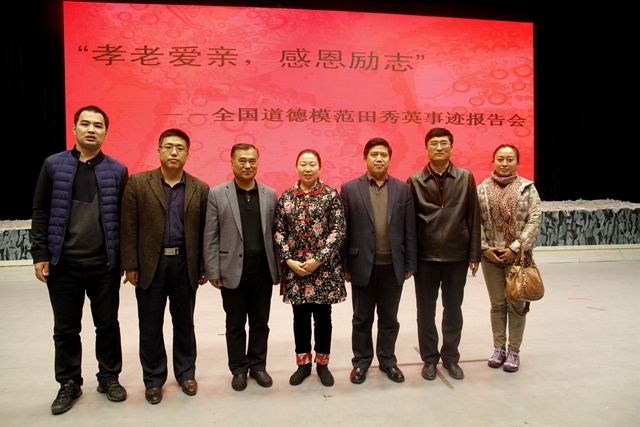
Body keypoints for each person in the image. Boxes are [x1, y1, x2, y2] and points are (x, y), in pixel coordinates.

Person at [31, 105, 128, 414]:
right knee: (65, 329)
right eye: (85, 124)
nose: (91, 129)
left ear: (106, 133)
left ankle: (109, 377)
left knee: (107, 325)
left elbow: (123, 219)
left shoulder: (117, 170)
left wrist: (125, 260)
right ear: (74, 128)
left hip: (104, 264)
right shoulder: (53, 165)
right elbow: (40, 211)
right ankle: (69, 382)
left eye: (98, 125)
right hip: (63, 264)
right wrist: (40, 254)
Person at [120, 129, 209, 404]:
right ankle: (153, 379)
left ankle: (186, 373)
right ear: (158, 150)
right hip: (151, 264)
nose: (174, 152)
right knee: (150, 325)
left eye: (180, 148)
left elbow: (205, 231)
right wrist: (130, 264)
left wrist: (203, 266)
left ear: (187, 154)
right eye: (168, 146)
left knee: (184, 323)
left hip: (185, 264)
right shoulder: (138, 183)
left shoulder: (200, 188)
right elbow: (128, 227)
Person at [203, 144, 280, 392]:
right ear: (232, 163)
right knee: (235, 325)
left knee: (260, 324)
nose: (247, 165)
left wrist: (280, 269)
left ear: (258, 162)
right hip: (231, 272)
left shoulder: (270, 194)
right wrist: (213, 270)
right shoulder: (217, 194)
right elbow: (210, 236)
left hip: (263, 272)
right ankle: (238, 369)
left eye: (252, 161)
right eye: (242, 160)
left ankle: (258, 366)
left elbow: (276, 234)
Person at [340, 137, 417, 384]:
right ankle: (361, 362)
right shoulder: (349, 189)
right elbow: (344, 230)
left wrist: (410, 263)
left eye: (384, 154)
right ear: (365, 159)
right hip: (361, 265)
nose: (379, 159)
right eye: (374, 154)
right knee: (361, 319)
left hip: (393, 266)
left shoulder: (403, 189)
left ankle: (388, 361)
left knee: (389, 319)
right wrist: (345, 265)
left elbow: (409, 228)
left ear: (390, 159)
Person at [408, 127, 481, 381]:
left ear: (451, 147)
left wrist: (474, 254)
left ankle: (450, 358)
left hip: (456, 255)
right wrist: (410, 260)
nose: (439, 147)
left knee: (453, 310)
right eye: (434, 143)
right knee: (425, 312)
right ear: (426, 148)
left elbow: (473, 216)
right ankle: (429, 359)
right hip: (425, 258)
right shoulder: (415, 181)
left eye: (444, 143)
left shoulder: (466, 178)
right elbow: (409, 224)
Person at [274, 149, 346, 387]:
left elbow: (338, 231)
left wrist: (318, 259)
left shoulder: (331, 195)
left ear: (320, 168)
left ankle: (323, 364)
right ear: (296, 167)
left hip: (324, 269)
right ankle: (303, 364)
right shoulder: (286, 197)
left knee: (324, 318)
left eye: (312, 164)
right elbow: (279, 231)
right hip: (296, 270)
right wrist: (288, 260)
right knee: (300, 318)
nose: (307, 168)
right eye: (303, 164)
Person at [477, 144, 542, 372]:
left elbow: (534, 220)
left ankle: (514, 351)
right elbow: (475, 221)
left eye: (509, 159)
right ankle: (498, 349)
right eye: (500, 159)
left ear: (517, 162)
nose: (504, 164)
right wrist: (485, 248)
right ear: (493, 161)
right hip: (491, 257)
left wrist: (515, 247)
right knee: (497, 305)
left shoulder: (527, 189)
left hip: (517, 257)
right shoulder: (482, 189)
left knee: (515, 304)